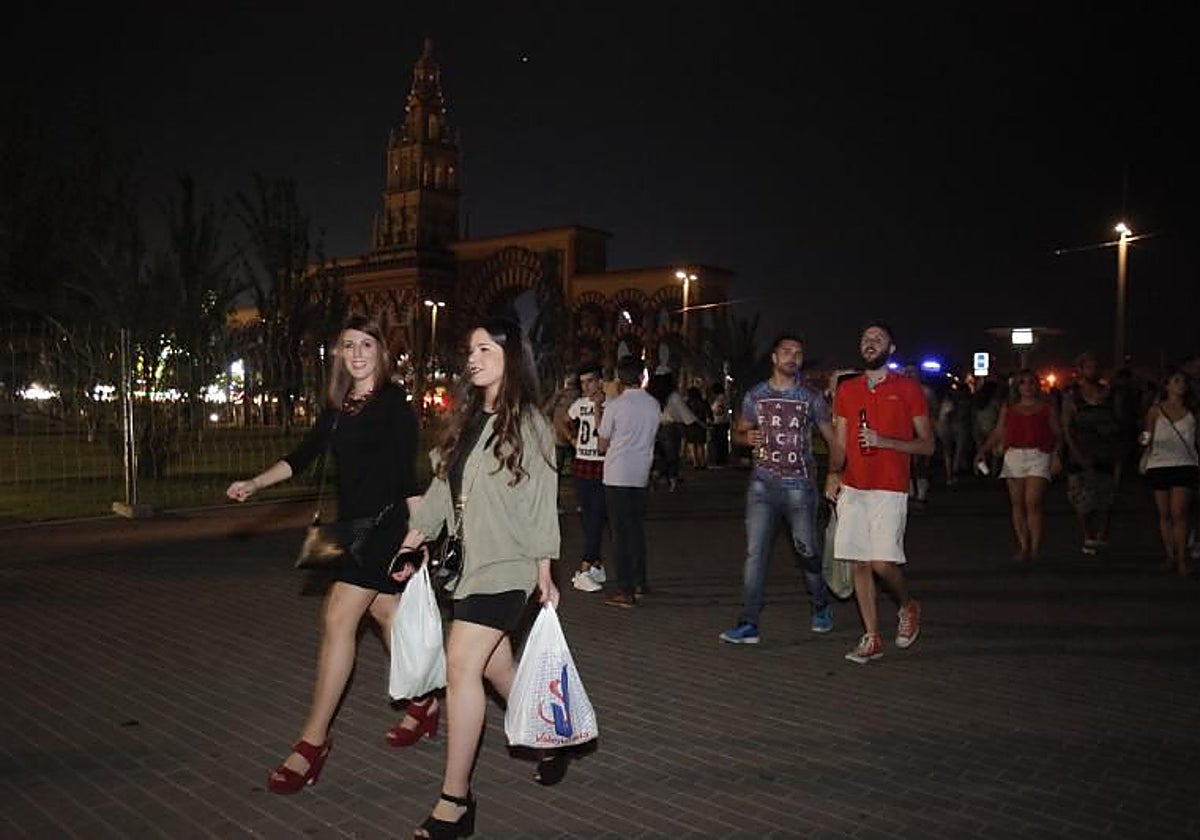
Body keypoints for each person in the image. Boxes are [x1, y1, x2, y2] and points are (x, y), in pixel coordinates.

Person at [225, 314, 425, 794]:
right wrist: (254, 483)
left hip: (384, 530)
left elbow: (408, 478)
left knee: (338, 619)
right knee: (388, 615)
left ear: (382, 352)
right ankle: (425, 703)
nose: (356, 353)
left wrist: (421, 536)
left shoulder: (394, 404)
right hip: (349, 530)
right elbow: (302, 455)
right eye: (348, 345)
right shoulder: (339, 407)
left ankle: (313, 743)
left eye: (366, 345)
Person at [392, 318, 561, 839]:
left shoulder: (530, 424)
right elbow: (443, 492)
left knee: (460, 665)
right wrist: (411, 542)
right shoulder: (466, 422)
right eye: (470, 350)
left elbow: (541, 503)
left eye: (485, 348)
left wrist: (544, 572)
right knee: (495, 670)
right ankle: (551, 739)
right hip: (469, 567)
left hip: (509, 567)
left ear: (512, 356)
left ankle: (455, 801)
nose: (474, 357)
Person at [825, 322, 933, 664]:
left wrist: (885, 442)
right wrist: (832, 473)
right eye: (865, 339)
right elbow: (840, 441)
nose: (870, 343)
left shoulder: (908, 388)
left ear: (891, 348)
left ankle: (907, 605)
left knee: (882, 563)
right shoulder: (848, 389)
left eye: (878, 339)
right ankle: (872, 636)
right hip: (855, 485)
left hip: (889, 486)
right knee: (858, 562)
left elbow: (928, 445)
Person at [719, 334, 836, 644]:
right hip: (762, 486)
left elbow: (832, 437)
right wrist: (747, 439)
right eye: (786, 351)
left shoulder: (811, 397)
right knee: (755, 554)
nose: (792, 357)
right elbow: (739, 433)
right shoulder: (756, 395)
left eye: (798, 352)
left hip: (800, 486)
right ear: (774, 357)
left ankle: (821, 603)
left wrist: (835, 474)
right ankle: (749, 621)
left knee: (807, 550)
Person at [974, 369, 1062, 563]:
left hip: (1039, 454)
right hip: (1014, 455)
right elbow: (998, 432)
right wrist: (983, 451)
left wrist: (1057, 455)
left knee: (1033, 502)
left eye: (1031, 382)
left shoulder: (1046, 408)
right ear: (1017, 387)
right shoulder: (1009, 408)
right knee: (1017, 504)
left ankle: (1035, 547)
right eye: (1023, 383)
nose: (1028, 387)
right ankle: (1023, 545)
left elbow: (1057, 433)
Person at [598, 356, 661, 607]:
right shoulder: (654, 404)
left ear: (619, 378)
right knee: (636, 530)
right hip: (640, 473)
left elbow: (602, 444)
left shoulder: (615, 405)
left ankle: (625, 590)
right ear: (641, 376)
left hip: (617, 474)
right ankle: (640, 582)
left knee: (620, 534)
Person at [1140, 369, 1198, 576]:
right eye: (1176, 381)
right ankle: (1170, 555)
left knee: (1179, 512)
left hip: (1185, 463)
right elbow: (1147, 435)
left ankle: (1182, 558)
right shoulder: (1156, 410)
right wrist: (1145, 440)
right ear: (1167, 386)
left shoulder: (1192, 410)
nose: (1181, 385)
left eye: (1183, 381)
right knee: (1164, 514)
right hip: (1159, 463)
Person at [1061, 353, 1120, 555]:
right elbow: (1067, 426)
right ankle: (1088, 534)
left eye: (1095, 366)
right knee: (1081, 498)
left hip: (1105, 451)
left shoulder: (1109, 394)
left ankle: (1101, 536)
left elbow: (1120, 421)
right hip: (1081, 450)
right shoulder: (1072, 396)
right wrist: (1074, 450)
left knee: (1106, 497)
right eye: (1088, 367)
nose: (1092, 370)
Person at [559, 362, 607, 592]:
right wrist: (571, 439)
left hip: (602, 465)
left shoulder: (609, 404)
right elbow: (562, 420)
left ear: (600, 381)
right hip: (582, 463)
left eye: (590, 381)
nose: (586, 387)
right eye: (583, 383)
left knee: (597, 516)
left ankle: (586, 566)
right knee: (588, 517)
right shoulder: (579, 404)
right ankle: (596, 564)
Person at [648, 370, 697, 492]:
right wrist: (694, 422)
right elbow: (685, 413)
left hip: (653, 428)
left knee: (656, 456)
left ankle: (654, 477)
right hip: (669, 428)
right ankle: (672, 481)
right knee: (672, 456)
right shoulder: (673, 396)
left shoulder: (651, 395)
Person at [684, 384, 712, 469]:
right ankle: (703, 462)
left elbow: (685, 413)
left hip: (691, 424)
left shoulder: (689, 402)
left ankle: (695, 463)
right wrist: (710, 420)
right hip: (701, 425)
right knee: (701, 444)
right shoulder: (703, 402)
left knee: (693, 444)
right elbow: (709, 412)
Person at [709, 382, 731, 467]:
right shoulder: (723, 398)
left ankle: (720, 459)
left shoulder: (720, 399)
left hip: (719, 422)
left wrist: (712, 412)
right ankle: (722, 459)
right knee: (722, 441)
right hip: (722, 422)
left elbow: (719, 410)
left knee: (719, 442)